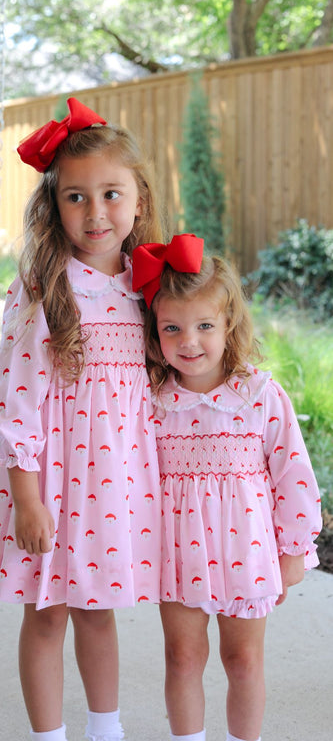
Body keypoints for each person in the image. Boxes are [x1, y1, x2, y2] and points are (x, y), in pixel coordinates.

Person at [0, 97, 164, 741]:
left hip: (111, 484)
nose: (95, 212)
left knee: (98, 613)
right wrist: (26, 499)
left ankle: (105, 729)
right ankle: (48, 735)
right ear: (55, 207)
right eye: (76, 197)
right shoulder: (47, 286)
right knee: (48, 613)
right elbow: (16, 398)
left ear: (138, 198)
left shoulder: (150, 289)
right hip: (49, 480)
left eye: (111, 193)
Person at [132, 235, 322, 741]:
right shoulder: (150, 402)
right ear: (153, 334)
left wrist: (295, 548)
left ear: (228, 324)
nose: (188, 341)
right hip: (177, 553)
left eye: (204, 326)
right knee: (182, 657)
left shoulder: (259, 394)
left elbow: (292, 474)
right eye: (172, 328)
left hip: (247, 547)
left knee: (242, 660)